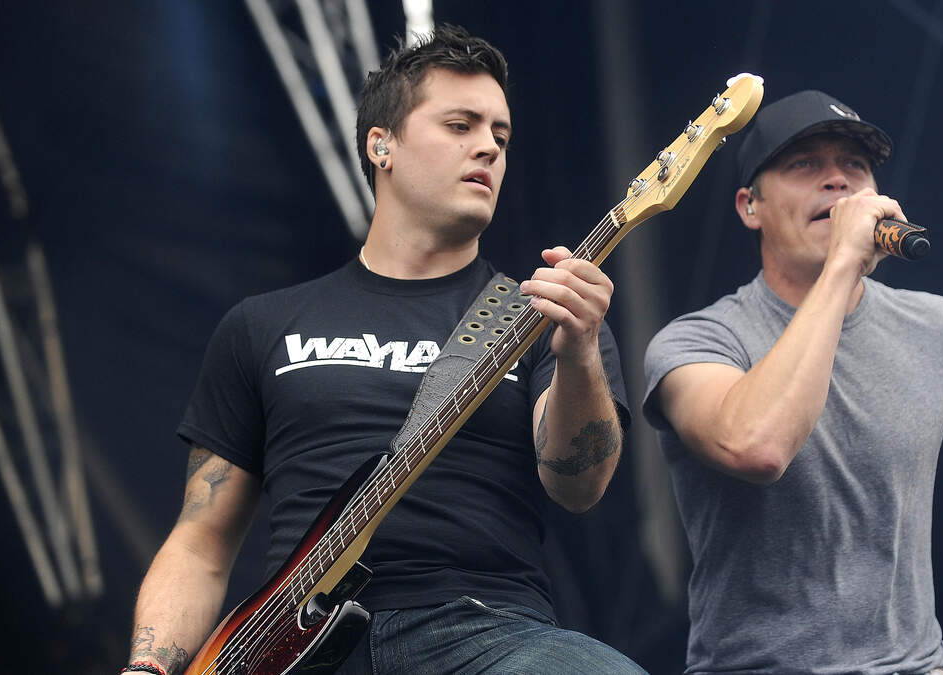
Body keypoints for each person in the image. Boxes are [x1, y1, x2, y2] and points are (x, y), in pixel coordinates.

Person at [125, 25, 646, 675]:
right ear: (382, 145)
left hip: (481, 633)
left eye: (501, 135)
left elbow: (579, 485)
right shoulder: (261, 325)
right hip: (290, 647)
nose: (488, 146)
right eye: (459, 125)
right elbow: (201, 542)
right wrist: (146, 668)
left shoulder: (544, 318)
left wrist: (581, 352)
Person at [642, 90, 943, 675]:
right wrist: (843, 265)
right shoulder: (698, 341)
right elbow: (756, 446)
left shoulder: (940, 328)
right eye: (804, 164)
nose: (837, 180)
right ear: (749, 206)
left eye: (855, 165)